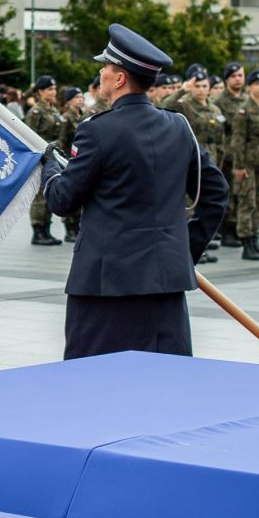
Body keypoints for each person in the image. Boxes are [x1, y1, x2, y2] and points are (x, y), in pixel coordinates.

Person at [42, 24, 228, 359]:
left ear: (120, 79)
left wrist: (50, 168)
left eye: (106, 67)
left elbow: (61, 200)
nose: (100, 73)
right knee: (163, 390)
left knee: (93, 388)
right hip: (164, 284)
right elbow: (216, 194)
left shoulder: (97, 131)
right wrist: (185, 252)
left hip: (106, 288)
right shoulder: (179, 127)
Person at [161, 69, 225, 264]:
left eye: (205, 86)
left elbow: (221, 138)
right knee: (189, 205)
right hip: (190, 160)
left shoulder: (214, 109)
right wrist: (182, 90)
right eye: (197, 86)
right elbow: (165, 106)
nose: (201, 90)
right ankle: (185, 247)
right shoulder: (185, 106)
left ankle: (199, 248)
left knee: (209, 201)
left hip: (210, 158)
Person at [229, 70, 259, 261]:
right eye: (257, 84)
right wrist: (239, 166)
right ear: (250, 86)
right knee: (247, 202)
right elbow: (238, 140)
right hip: (249, 162)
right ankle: (246, 241)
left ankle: (255, 238)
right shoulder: (244, 109)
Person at [25, 74, 63, 246]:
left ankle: (46, 229)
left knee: (49, 192)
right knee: (40, 195)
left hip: (52, 157)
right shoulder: (36, 111)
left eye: (54, 89)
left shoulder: (54, 110)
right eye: (49, 89)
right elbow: (28, 135)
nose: (53, 92)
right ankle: (38, 231)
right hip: (40, 157)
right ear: (40, 91)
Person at [213, 62, 246, 248]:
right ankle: (227, 229)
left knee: (243, 193)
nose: (238, 79)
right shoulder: (219, 102)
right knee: (229, 193)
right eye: (234, 76)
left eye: (240, 75)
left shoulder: (247, 100)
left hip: (245, 155)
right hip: (227, 155)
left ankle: (240, 229)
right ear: (227, 79)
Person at [58, 86, 85, 243]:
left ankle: (76, 226)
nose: (80, 100)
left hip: (79, 159)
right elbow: (61, 141)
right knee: (70, 193)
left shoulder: (80, 116)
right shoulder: (66, 118)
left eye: (81, 97)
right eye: (76, 97)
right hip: (68, 159)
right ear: (68, 101)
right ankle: (69, 229)